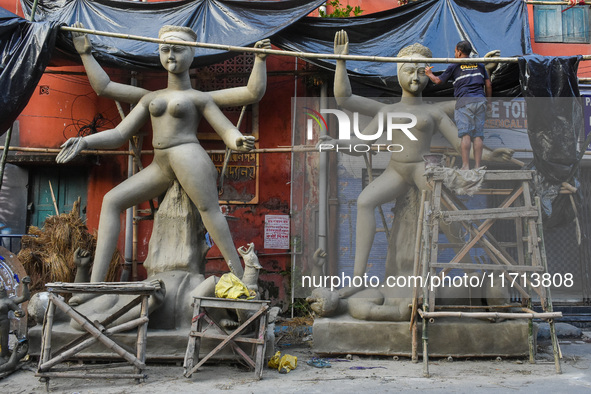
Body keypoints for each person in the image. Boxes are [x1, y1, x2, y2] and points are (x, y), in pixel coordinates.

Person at [57, 25, 271, 305]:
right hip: (161, 164)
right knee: (112, 200)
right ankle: (93, 286)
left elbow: (248, 98)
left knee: (210, 212)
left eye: (178, 49)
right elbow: (113, 111)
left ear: (192, 54)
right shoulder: (150, 97)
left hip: (188, 156)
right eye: (165, 49)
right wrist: (85, 140)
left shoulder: (199, 98)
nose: (171, 56)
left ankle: (242, 280)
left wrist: (237, 137)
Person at [321, 31, 513, 297]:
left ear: (429, 75)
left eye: (421, 72)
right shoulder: (387, 111)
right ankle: (357, 278)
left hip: (424, 169)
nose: (414, 77)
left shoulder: (433, 112)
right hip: (396, 170)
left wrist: (490, 156)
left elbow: (461, 143)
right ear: (398, 72)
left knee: (444, 210)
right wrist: (340, 64)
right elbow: (353, 122)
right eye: (409, 71)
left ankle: (470, 269)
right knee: (364, 201)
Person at [425, 40, 492, 170]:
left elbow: (438, 81)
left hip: (464, 102)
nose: (455, 53)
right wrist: (489, 103)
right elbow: (488, 85)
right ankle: (478, 166)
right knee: (478, 136)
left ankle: (466, 165)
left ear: (459, 51)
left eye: (455, 51)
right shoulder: (479, 64)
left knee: (466, 135)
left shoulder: (455, 65)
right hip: (480, 100)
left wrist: (429, 74)